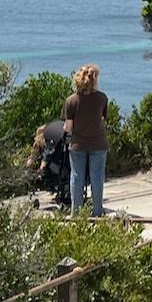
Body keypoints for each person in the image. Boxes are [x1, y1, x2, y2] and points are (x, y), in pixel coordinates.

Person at [62, 64, 108, 216]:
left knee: (76, 178)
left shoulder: (71, 101)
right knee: (97, 178)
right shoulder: (102, 98)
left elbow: (68, 127)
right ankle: (97, 212)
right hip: (98, 143)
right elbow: (102, 119)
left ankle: (76, 214)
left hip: (78, 145)